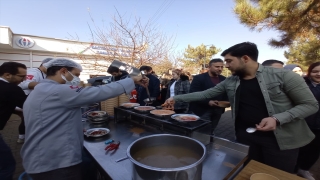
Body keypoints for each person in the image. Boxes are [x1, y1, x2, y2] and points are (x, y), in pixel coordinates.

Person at [165, 42, 318, 173]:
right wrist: (175, 98)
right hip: (245, 136)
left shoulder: (284, 76)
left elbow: (310, 105)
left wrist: (277, 119)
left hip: (281, 140)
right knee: (249, 171)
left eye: (229, 61)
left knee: (274, 174)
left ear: (245, 58)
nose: (226, 65)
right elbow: (205, 94)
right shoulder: (231, 81)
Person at [21, 58, 148, 180]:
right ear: (63, 71)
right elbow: (100, 92)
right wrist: (131, 80)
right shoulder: (58, 90)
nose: (77, 79)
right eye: (76, 74)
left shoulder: (40, 89)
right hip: (55, 163)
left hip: (41, 158)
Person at [16, 57, 53, 143]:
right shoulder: (33, 72)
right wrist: (47, 85)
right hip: (25, 99)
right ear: (44, 65)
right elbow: (24, 84)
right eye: (51, 68)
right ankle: (22, 137)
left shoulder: (45, 74)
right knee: (26, 119)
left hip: (35, 100)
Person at [0, 62, 27, 180]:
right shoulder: (12, 89)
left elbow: (3, 103)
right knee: (7, 165)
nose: (24, 80)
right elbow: (33, 106)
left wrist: (15, 111)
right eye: (21, 76)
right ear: (7, 75)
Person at [189, 58, 228, 134]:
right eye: (217, 67)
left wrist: (226, 102)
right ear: (209, 67)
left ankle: (209, 141)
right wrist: (208, 102)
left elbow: (225, 93)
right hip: (202, 110)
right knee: (201, 131)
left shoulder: (224, 79)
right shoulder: (199, 78)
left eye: (221, 67)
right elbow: (194, 94)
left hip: (218, 110)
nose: (220, 69)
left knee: (212, 129)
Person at [296, 62, 320, 180]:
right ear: (310, 72)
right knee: (300, 149)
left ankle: (304, 169)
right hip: (304, 124)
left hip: (319, 126)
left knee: (315, 150)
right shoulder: (302, 84)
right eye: (315, 71)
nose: (318, 74)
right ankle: (294, 170)